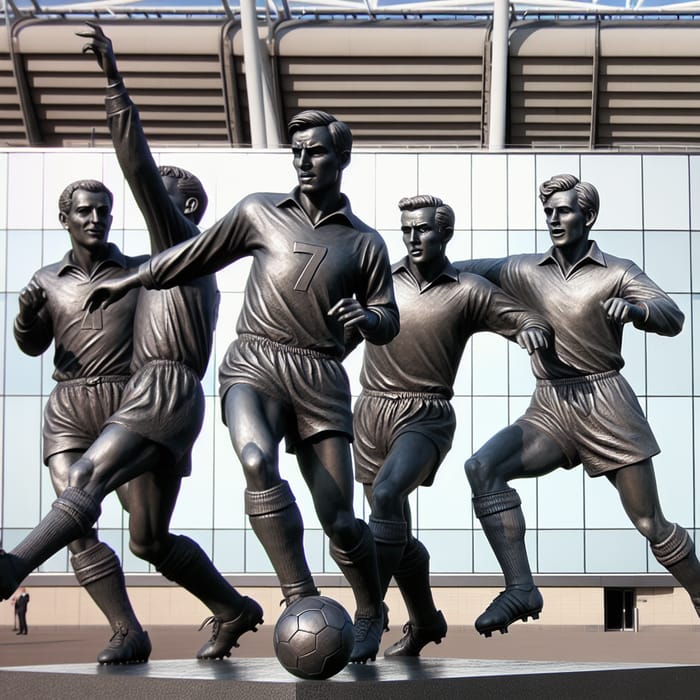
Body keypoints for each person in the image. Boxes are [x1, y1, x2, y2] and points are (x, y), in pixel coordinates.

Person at [83, 109, 400, 663]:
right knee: (255, 460)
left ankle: (371, 608)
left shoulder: (366, 244)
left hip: (320, 374)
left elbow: (387, 316)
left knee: (342, 520)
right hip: (254, 361)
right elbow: (190, 256)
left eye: (316, 150)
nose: (303, 160)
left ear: (341, 158)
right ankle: (300, 597)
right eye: (296, 150)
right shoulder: (259, 211)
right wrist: (133, 277)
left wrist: (368, 319)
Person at [0, 23, 263, 663]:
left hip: (156, 391)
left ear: (187, 207)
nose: (125, 213)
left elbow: (138, 165)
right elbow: (36, 342)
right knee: (143, 537)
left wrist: (116, 85)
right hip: (110, 397)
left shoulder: (179, 245)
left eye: (152, 203)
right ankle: (228, 608)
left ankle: (10, 569)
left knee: (89, 489)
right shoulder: (158, 266)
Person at [455, 173, 700, 638]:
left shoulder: (618, 272)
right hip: (549, 407)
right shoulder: (525, 270)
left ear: (588, 216)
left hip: (605, 402)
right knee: (482, 466)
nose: (553, 219)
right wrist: (404, 270)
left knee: (649, 521)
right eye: (548, 211)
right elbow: (460, 274)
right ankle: (520, 588)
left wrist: (636, 310)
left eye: (563, 211)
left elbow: (673, 315)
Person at [349, 195, 549, 656]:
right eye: (406, 229)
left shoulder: (467, 289)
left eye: (423, 229)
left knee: (385, 495)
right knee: (390, 526)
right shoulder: (379, 282)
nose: (413, 237)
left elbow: (521, 317)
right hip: (370, 412)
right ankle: (425, 622)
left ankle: (369, 614)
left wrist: (530, 329)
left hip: (425, 415)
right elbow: (340, 332)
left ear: (446, 234)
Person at [13, 176, 148, 661]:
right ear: (65, 219)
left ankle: (228, 604)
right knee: (76, 521)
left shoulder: (135, 272)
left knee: (146, 529)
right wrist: (27, 317)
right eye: (86, 211)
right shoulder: (47, 279)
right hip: (69, 406)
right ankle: (126, 630)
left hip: (125, 401)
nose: (96, 219)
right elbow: (31, 346)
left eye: (104, 211)